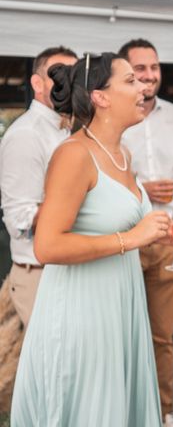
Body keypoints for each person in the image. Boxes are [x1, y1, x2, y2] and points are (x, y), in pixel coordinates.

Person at [11, 52, 172, 426]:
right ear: (100, 97)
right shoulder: (73, 155)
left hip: (121, 304)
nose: (143, 87)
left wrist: (151, 234)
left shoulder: (123, 155)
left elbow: (113, 224)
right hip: (83, 314)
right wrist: (130, 238)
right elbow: (47, 246)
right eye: (131, 80)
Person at [119, 39, 173, 425]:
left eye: (154, 67)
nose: (149, 75)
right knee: (121, 333)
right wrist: (142, 188)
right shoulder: (113, 118)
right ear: (125, 73)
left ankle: (163, 412)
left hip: (171, 240)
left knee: (162, 338)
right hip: (124, 241)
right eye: (140, 68)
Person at [0, 46, 77, 326]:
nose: (67, 83)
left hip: (67, 270)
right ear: (37, 83)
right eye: (59, 75)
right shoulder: (26, 135)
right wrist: (82, 206)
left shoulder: (68, 129)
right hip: (39, 275)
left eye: (73, 75)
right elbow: (19, 218)